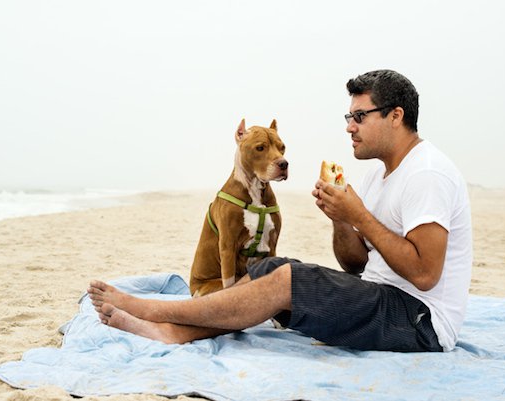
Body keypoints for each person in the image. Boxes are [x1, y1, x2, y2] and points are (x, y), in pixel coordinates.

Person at [88, 69, 472, 352]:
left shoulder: (427, 173)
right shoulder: (377, 176)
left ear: (395, 116)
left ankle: (153, 311)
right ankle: (174, 331)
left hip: (420, 322)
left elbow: (424, 274)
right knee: (267, 268)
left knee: (289, 280)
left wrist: (359, 216)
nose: (349, 128)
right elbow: (354, 264)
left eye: (359, 117)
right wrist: (341, 220)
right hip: (378, 296)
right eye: (348, 118)